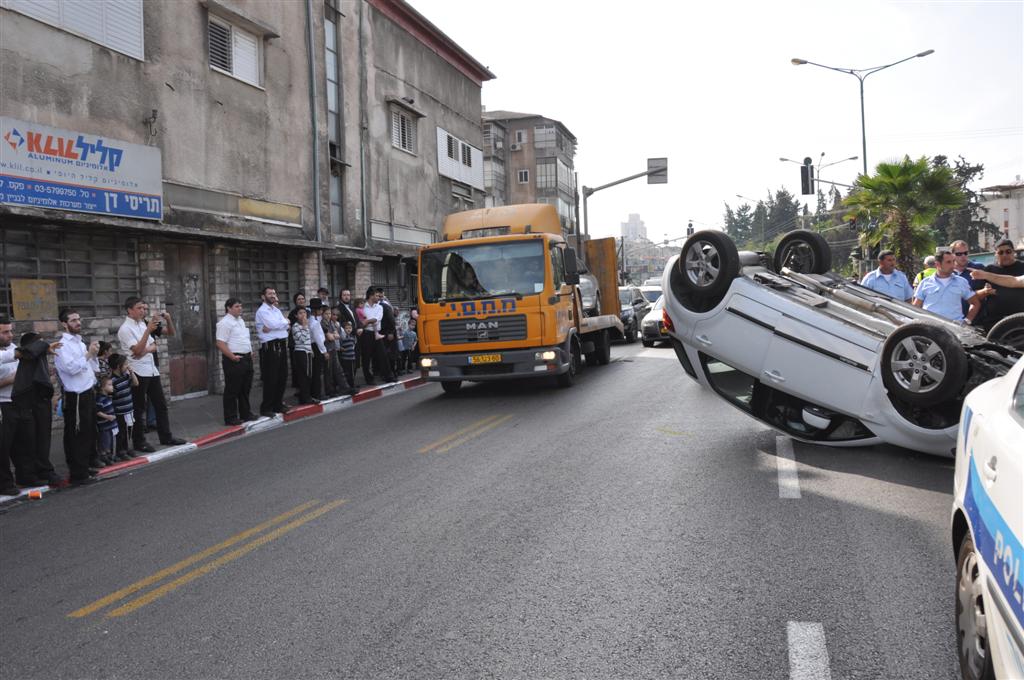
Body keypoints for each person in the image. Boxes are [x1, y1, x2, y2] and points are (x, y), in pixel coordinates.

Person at [117, 297, 186, 452]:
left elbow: (156, 344)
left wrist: (144, 349)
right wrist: (147, 338)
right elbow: (136, 350)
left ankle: (166, 436)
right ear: (130, 310)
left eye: (144, 308)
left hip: (151, 369)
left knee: (160, 405)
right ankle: (139, 441)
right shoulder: (125, 329)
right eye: (139, 308)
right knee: (139, 408)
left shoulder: (143, 324)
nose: (143, 311)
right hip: (138, 372)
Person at [54, 308, 100, 485]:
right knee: (76, 434)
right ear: (64, 324)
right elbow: (71, 369)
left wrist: (93, 354)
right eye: (73, 320)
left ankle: (85, 466)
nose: (78, 323)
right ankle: (77, 474)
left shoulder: (80, 343)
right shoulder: (62, 346)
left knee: (88, 432)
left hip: (88, 391)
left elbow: (92, 368)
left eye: (79, 319)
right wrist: (88, 354)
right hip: (76, 395)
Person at [9, 332, 61, 486]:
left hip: (41, 402)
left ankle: (43, 470)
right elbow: (32, 351)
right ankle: (28, 474)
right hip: (26, 403)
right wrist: (44, 345)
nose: (43, 345)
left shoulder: (38, 357)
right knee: (28, 441)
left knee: (43, 439)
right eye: (39, 342)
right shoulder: (26, 355)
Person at [215, 297, 256, 426]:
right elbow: (220, 343)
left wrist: (249, 350)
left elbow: (242, 338)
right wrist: (232, 356)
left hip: (246, 358)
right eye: (237, 306)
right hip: (234, 359)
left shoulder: (240, 321)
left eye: (240, 306)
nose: (240, 309)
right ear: (229, 308)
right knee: (232, 390)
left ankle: (245, 413)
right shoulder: (224, 323)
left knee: (245, 388)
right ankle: (230, 417)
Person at [913, 250, 982, 324]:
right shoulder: (925, 283)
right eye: (948, 262)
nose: (952, 265)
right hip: (930, 328)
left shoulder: (961, 282)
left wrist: (967, 321)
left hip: (954, 329)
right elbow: (916, 306)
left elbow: (975, 303)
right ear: (938, 264)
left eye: (953, 261)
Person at [971, 238, 1024, 329]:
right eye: (1001, 252)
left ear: (1013, 251)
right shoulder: (989, 269)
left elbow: (1013, 281)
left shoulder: (1022, 266)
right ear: (995, 254)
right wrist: (985, 291)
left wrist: (987, 276)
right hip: (995, 322)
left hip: (1020, 320)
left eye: (1008, 251)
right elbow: (974, 296)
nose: (1005, 255)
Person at [255, 286, 291, 417]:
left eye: (274, 293)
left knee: (282, 376)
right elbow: (273, 324)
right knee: (271, 378)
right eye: (269, 293)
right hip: (270, 347)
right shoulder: (262, 311)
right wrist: (283, 323)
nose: (273, 295)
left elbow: (286, 324)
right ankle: (266, 407)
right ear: (263, 297)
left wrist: (283, 323)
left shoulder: (276, 310)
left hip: (281, 344)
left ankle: (278, 404)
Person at [0, 316, 23, 494]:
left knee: (20, 444)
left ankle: (25, 476)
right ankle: (5, 484)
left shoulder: (14, 348)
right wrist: (12, 379)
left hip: (18, 401)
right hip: (3, 405)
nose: (10, 335)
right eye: (5, 332)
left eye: (10, 331)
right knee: (3, 446)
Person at [108, 354, 137, 460]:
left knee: (129, 430)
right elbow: (111, 397)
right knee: (121, 432)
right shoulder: (113, 381)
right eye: (125, 364)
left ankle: (127, 448)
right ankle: (121, 450)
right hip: (119, 412)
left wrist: (132, 372)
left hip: (128, 409)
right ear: (117, 366)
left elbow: (136, 383)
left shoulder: (126, 376)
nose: (127, 366)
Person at [291, 307, 315, 405]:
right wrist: (305, 327)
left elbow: (308, 339)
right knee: (304, 376)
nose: (303, 315)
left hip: (307, 352)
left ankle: (307, 396)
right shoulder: (295, 326)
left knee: (309, 375)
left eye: (304, 313)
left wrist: (311, 349)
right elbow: (301, 339)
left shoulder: (306, 325)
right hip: (301, 352)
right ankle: (305, 398)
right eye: (300, 313)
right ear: (296, 316)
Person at [95, 375, 118, 466]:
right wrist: (107, 416)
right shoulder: (100, 399)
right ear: (102, 388)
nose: (112, 387)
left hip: (110, 425)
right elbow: (97, 411)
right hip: (104, 426)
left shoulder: (108, 397)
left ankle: (109, 455)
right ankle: (103, 455)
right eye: (109, 385)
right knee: (104, 441)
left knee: (109, 441)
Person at [308, 299, 328, 400]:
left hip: (315, 346)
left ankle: (316, 393)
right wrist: (324, 351)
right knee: (317, 372)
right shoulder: (314, 323)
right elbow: (318, 339)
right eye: (320, 309)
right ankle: (317, 393)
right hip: (317, 347)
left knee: (316, 371)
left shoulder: (313, 320)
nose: (321, 311)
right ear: (315, 310)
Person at [339, 320, 357, 394]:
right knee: (347, 373)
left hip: (352, 358)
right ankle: (349, 386)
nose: (349, 329)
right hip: (345, 358)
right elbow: (339, 346)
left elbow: (353, 345)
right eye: (346, 328)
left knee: (352, 373)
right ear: (343, 329)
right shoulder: (342, 338)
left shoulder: (352, 337)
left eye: (350, 328)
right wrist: (341, 348)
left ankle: (352, 385)